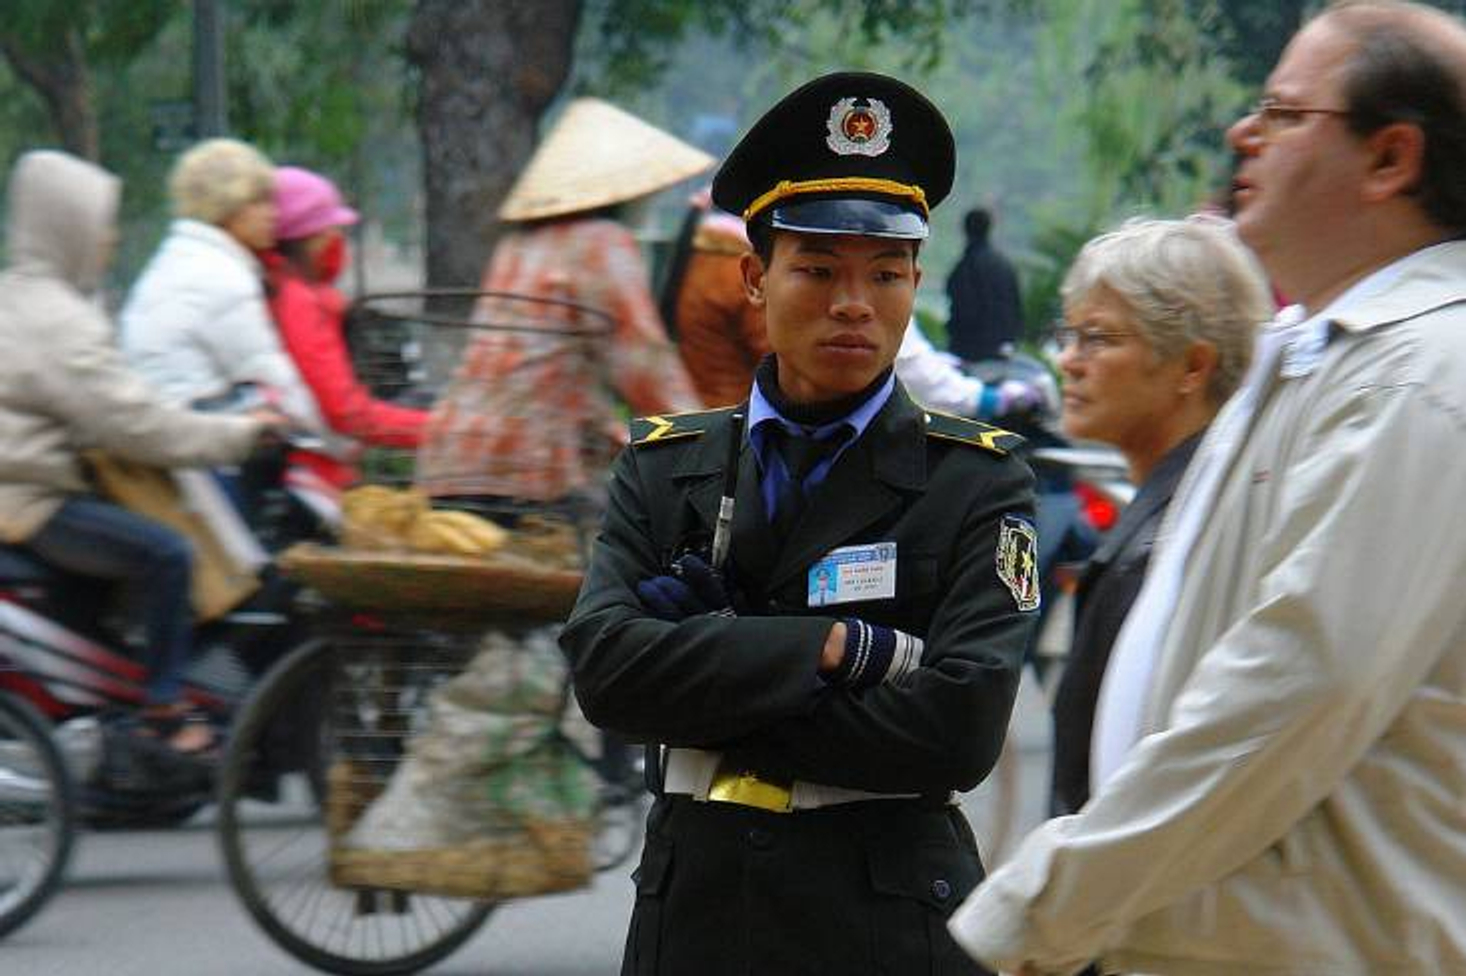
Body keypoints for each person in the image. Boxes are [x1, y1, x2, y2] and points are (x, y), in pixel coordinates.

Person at [949, 3, 1466, 973]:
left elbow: (1293, 688)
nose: (1241, 133)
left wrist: (1034, 910)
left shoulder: (1419, 377)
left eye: (1281, 113)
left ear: (1390, 158)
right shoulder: (1320, 351)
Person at [561, 71, 1039, 975]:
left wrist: (706, 671)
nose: (854, 302)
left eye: (885, 273)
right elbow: (604, 672)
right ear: (756, 278)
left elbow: (959, 730)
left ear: (915, 281)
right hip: (695, 919)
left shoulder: (975, 481)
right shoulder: (667, 467)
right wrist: (826, 648)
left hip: (883, 922)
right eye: (818, 270)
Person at [0, 150, 282, 755]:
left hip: (27, 488)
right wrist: (239, 435)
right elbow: (134, 425)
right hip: (31, 501)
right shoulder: (58, 320)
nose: (111, 239)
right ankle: (164, 710)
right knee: (167, 553)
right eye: (101, 225)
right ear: (68, 227)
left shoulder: (19, 297)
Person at [1045, 216, 1267, 823]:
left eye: (1098, 338)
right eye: (1069, 335)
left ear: (1193, 366)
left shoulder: (1172, 543)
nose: (1069, 361)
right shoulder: (1201, 506)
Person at [415, 97, 707, 513]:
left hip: (448, 457)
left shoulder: (515, 246)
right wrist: (709, 445)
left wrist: (613, 432)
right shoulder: (601, 243)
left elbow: (542, 368)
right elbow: (645, 367)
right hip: (524, 470)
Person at [120, 139, 342, 466]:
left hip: (167, 436)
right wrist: (336, 444)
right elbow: (272, 377)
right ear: (226, 205)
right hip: (199, 457)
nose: (273, 213)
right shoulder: (220, 278)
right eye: (259, 201)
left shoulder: (177, 259)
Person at [264, 166, 430, 520]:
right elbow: (347, 413)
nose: (338, 238)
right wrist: (438, 429)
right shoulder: (299, 302)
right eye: (331, 229)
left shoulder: (288, 288)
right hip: (310, 473)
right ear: (308, 236)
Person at [945, 207, 1024, 362]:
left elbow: (961, 307)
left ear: (965, 229)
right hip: (1003, 347)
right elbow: (1016, 306)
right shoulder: (1004, 264)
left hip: (971, 350)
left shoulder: (967, 266)